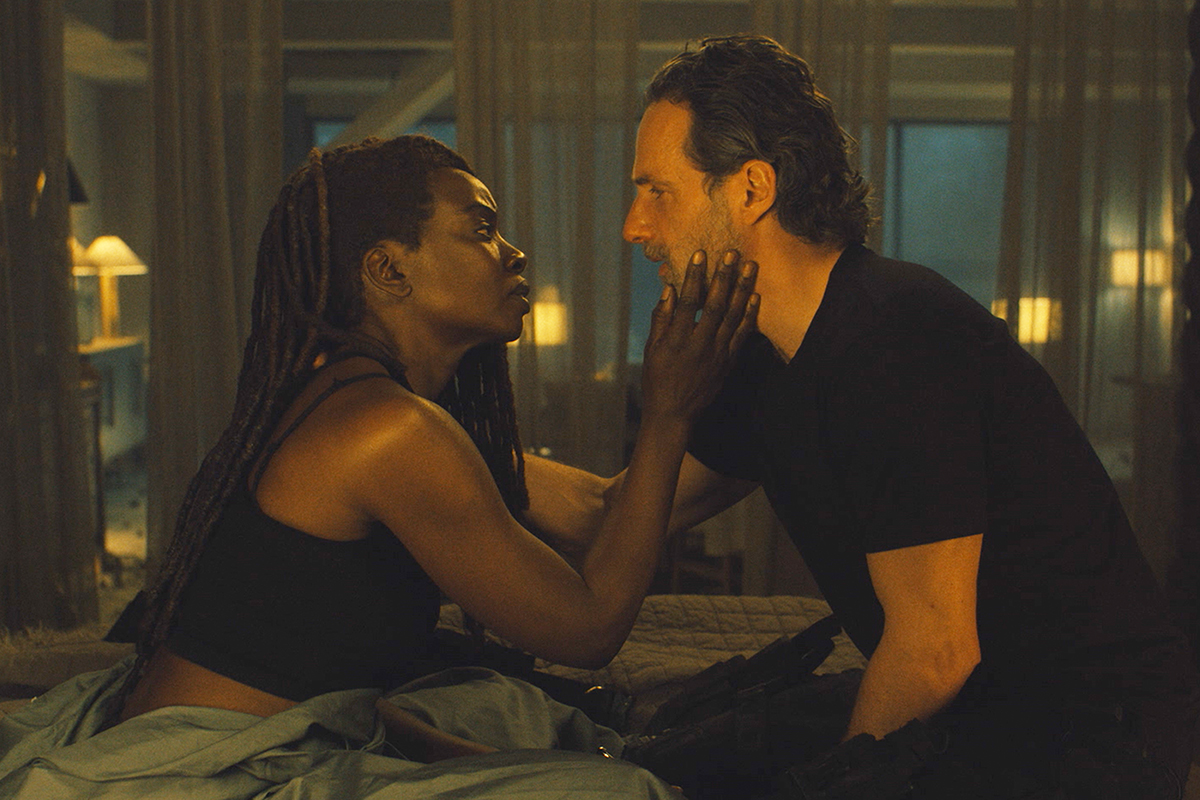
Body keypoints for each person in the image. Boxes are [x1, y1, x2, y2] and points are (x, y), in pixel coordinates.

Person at [524, 34, 1200, 799]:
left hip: (1082, 726)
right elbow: (614, 513)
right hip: (970, 698)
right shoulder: (759, 357)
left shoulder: (894, 339)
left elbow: (935, 651)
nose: (633, 226)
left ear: (751, 189)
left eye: (657, 191)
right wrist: (458, 444)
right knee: (656, 764)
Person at [0, 134, 758, 798]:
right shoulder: (387, 431)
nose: (513, 252)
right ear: (389, 271)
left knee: (505, 706)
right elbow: (589, 628)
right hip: (206, 776)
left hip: (278, 739)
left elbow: (600, 513)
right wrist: (667, 412)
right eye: (483, 230)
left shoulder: (362, 402)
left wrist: (777, 426)